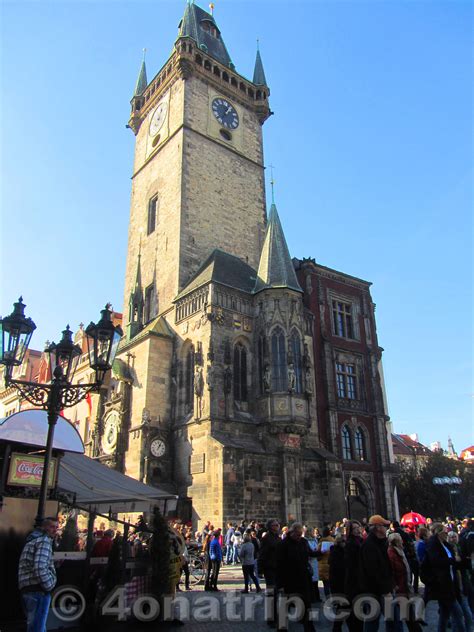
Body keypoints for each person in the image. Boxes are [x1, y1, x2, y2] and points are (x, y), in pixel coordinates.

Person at [423, 522, 466, 632]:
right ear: (439, 533)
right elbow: (436, 561)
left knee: (445, 614)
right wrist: (452, 560)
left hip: (449, 582)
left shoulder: (444, 544)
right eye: (444, 531)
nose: (446, 533)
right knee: (458, 613)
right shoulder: (433, 544)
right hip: (442, 584)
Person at [276, 521, 318, 632]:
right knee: (286, 606)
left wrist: (321, 552)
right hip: (289, 580)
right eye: (298, 534)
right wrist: (280, 584)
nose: (299, 537)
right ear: (292, 532)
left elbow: (310, 553)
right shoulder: (283, 544)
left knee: (306, 606)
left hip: (303, 579)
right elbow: (279, 565)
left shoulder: (303, 542)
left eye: (301, 534)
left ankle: (309, 629)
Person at [18, 517, 58, 632]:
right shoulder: (43, 541)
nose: (55, 530)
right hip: (38, 590)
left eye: (56, 527)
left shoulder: (33, 539)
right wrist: (49, 585)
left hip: (28, 588)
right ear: (44, 527)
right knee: (37, 627)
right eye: (52, 527)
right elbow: (40, 567)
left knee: (34, 625)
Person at [359, 514, 394, 632]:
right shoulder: (369, 545)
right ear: (378, 527)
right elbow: (373, 571)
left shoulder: (380, 543)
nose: (387, 529)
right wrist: (386, 590)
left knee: (388, 621)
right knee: (377, 622)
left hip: (381, 590)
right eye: (385, 526)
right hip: (376, 592)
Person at [387, 533, 422, 632]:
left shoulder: (400, 552)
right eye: (400, 540)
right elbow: (392, 571)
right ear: (396, 542)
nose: (402, 542)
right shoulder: (392, 553)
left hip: (404, 586)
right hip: (399, 589)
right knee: (407, 618)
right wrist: (395, 586)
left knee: (407, 617)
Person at [447, 530, 473, 632]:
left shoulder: (460, 547)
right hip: (454, 584)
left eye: (454, 537)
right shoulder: (448, 550)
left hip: (463, 581)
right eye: (451, 537)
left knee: (466, 614)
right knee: (458, 615)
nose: (453, 539)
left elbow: (464, 563)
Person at [258, 519, 280, 627]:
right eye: (276, 525)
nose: (278, 526)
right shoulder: (266, 538)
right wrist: (260, 569)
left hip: (277, 569)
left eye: (278, 524)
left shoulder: (277, 537)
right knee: (272, 593)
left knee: (276, 594)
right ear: (271, 527)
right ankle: (271, 619)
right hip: (269, 569)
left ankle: (275, 616)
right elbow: (261, 554)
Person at [344, 520, 364, 632]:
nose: (358, 530)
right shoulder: (351, 543)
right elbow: (351, 564)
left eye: (358, 527)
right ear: (350, 531)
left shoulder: (359, 541)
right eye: (355, 528)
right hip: (353, 581)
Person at [328, 534, 346, 632]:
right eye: (343, 542)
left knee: (343, 606)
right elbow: (339, 568)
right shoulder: (337, 552)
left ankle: (337, 628)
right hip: (339, 583)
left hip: (338, 583)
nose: (345, 543)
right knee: (343, 606)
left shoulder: (335, 550)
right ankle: (336, 628)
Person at [317, 526, 334, 597]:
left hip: (323, 565)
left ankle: (328, 598)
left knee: (326, 584)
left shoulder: (321, 542)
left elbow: (318, 555)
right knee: (331, 583)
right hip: (331, 564)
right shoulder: (333, 540)